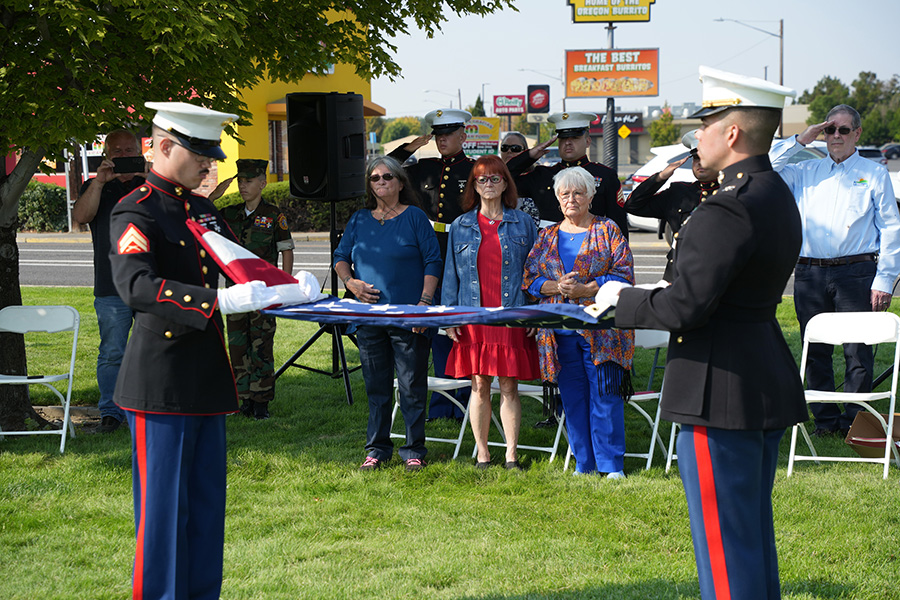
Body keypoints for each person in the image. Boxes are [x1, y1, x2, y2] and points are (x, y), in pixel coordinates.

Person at [597, 66, 808, 599]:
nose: (701, 134)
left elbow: (685, 304)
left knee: (724, 548)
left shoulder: (729, 207)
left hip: (720, 387)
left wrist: (619, 300)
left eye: (708, 122)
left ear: (732, 132)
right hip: (755, 376)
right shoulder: (773, 192)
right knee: (749, 539)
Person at [109, 101, 302, 599]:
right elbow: (136, 285)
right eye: (200, 154)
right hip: (162, 382)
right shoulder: (136, 208)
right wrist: (215, 300)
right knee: (164, 515)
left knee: (205, 511)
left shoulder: (201, 208)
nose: (209, 164)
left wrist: (293, 288)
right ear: (167, 146)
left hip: (207, 378)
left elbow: (242, 266)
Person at [769, 104, 900, 437]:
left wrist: (884, 280)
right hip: (810, 273)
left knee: (858, 349)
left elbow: (891, 228)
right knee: (815, 349)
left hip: (857, 272)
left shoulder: (874, 173)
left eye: (843, 130)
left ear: (857, 133)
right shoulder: (806, 171)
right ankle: (825, 422)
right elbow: (766, 167)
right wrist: (801, 138)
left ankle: (857, 421)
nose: (836, 136)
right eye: (830, 129)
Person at [522, 166, 634, 477]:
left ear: (591, 196)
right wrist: (556, 287)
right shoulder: (546, 236)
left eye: (578, 193)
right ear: (557, 199)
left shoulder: (608, 230)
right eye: (565, 194)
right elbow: (529, 279)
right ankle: (584, 464)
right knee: (572, 398)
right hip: (559, 333)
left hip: (602, 331)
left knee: (605, 394)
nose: (572, 199)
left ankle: (611, 466)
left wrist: (587, 289)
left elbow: (624, 276)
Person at [333, 156, 442, 472]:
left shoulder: (416, 218)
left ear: (399, 182)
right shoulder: (359, 220)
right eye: (374, 178)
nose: (380, 182)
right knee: (377, 388)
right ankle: (376, 449)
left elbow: (432, 261)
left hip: (408, 318)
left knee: (411, 386)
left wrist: (424, 304)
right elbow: (341, 257)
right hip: (369, 318)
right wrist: (350, 283)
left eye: (387, 177)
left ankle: (414, 450)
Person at [442, 155, 540, 469]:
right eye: (481, 179)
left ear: (505, 183)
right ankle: (483, 454)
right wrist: (449, 318)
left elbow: (536, 272)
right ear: (473, 185)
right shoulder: (461, 225)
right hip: (473, 316)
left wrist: (536, 314)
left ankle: (511, 454)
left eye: (495, 178)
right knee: (479, 385)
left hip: (511, 315)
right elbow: (450, 275)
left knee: (509, 385)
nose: (488, 184)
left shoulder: (523, 222)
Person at [389, 108, 474, 420]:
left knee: (459, 327)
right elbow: (384, 169)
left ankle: (464, 398)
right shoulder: (423, 167)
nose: (442, 139)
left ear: (463, 136)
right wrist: (411, 146)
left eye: (449, 133)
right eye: (438, 134)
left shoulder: (474, 168)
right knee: (431, 328)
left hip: (461, 249)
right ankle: (440, 406)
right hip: (427, 251)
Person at [71, 129, 145, 433]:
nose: (124, 156)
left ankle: (147, 409)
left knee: (152, 350)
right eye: (118, 152)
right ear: (107, 155)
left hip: (151, 284)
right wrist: (100, 183)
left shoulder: (152, 183)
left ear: (141, 151)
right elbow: (81, 216)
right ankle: (111, 413)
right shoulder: (95, 186)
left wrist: (155, 179)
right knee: (112, 352)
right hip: (111, 286)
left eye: (130, 150)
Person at [219, 159, 295, 421]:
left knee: (261, 345)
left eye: (249, 181)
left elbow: (286, 248)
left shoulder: (274, 215)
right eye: (240, 181)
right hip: (236, 292)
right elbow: (198, 216)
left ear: (262, 184)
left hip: (264, 291)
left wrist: (283, 284)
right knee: (238, 345)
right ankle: (243, 399)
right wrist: (215, 193)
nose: (243, 185)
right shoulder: (229, 213)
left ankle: (261, 401)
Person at [507, 111, 628, 239]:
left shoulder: (605, 176)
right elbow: (503, 179)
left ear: (587, 141)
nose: (568, 142)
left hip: (591, 247)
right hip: (549, 248)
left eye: (574, 137)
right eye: (563, 138)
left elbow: (618, 225)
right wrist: (529, 156)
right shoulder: (543, 175)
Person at [623, 130, 719, 281]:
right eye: (695, 158)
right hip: (676, 276)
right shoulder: (679, 192)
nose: (699, 163)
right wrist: (661, 177)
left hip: (714, 275)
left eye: (705, 157)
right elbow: (633, 205)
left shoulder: (729, 192)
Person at [499, 131, 540, 227]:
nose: (509, 151)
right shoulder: (493, 177)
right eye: (504, 148)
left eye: (515, 148)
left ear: (525, 151)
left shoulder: (536, 176)